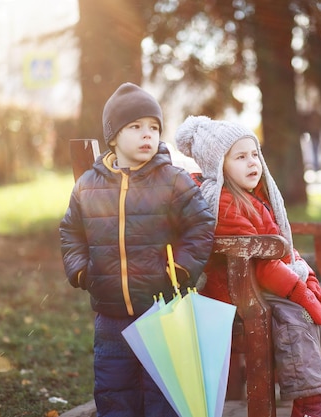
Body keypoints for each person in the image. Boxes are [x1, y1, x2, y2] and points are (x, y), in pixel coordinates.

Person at [175, 115, 321, 417]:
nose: (252, 162)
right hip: (236, 292)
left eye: (255, 154)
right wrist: (301, 293)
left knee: (317, 318)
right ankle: (311, 406)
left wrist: (307, 281)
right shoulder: (222, 202)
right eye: (240, 157)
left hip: (262, 285)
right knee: (297, 317)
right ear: (218, 165)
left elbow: (281, 250)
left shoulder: (254, 198)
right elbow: (261, 262)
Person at [59, 83, 216, 417]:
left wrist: (182, 269)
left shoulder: (173, 181)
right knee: (114, 391)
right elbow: (70, 231)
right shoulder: (88, 185)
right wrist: (81, 269)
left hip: (160, 311)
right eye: (136, 126)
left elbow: (201, 227)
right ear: (113, 136)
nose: (148, 135)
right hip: (110, 316)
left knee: (162, 394)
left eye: (154, 127)